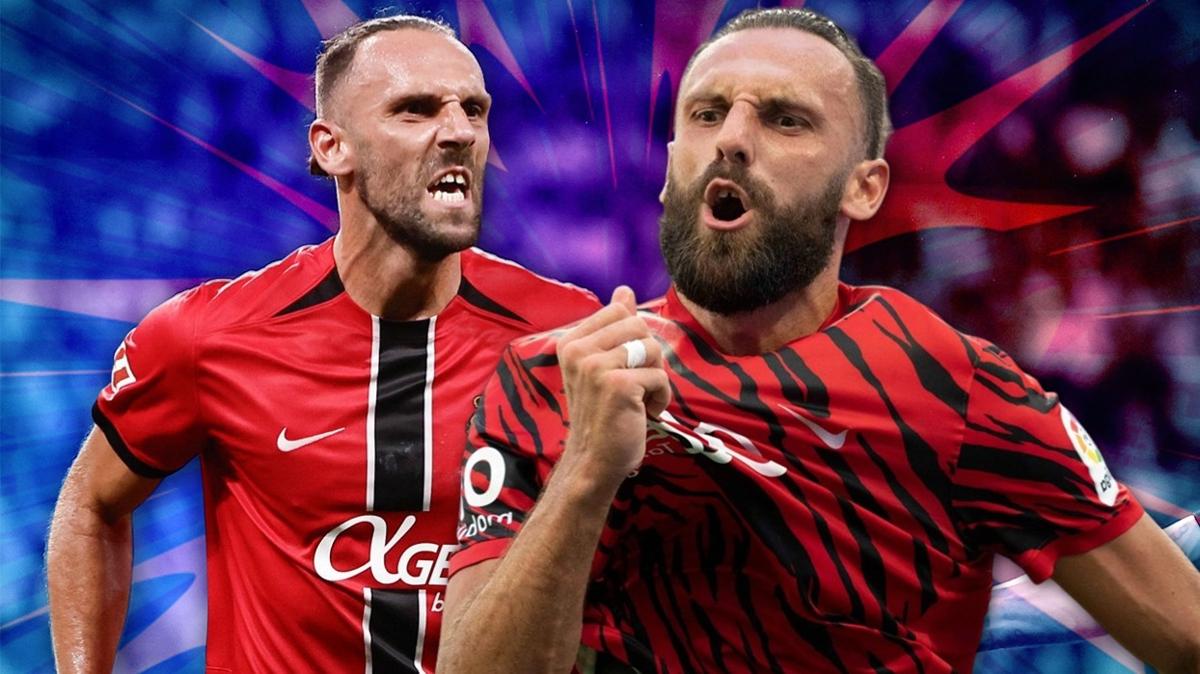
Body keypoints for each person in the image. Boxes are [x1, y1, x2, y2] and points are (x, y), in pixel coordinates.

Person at [438, 8, 1200, 674]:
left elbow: (1187, 635)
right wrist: (586, 471)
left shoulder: (959, 386)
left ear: (863, 188)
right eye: (706, 114)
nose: (732, 140)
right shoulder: (548, 380)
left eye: (785, 120)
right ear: (670, 170)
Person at [46, 14, 598, 673]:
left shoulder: (566, 335)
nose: (459, 132)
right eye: (416, 109)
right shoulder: (207, 337)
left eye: (473, 110)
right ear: (332, 146)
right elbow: (91, 506)